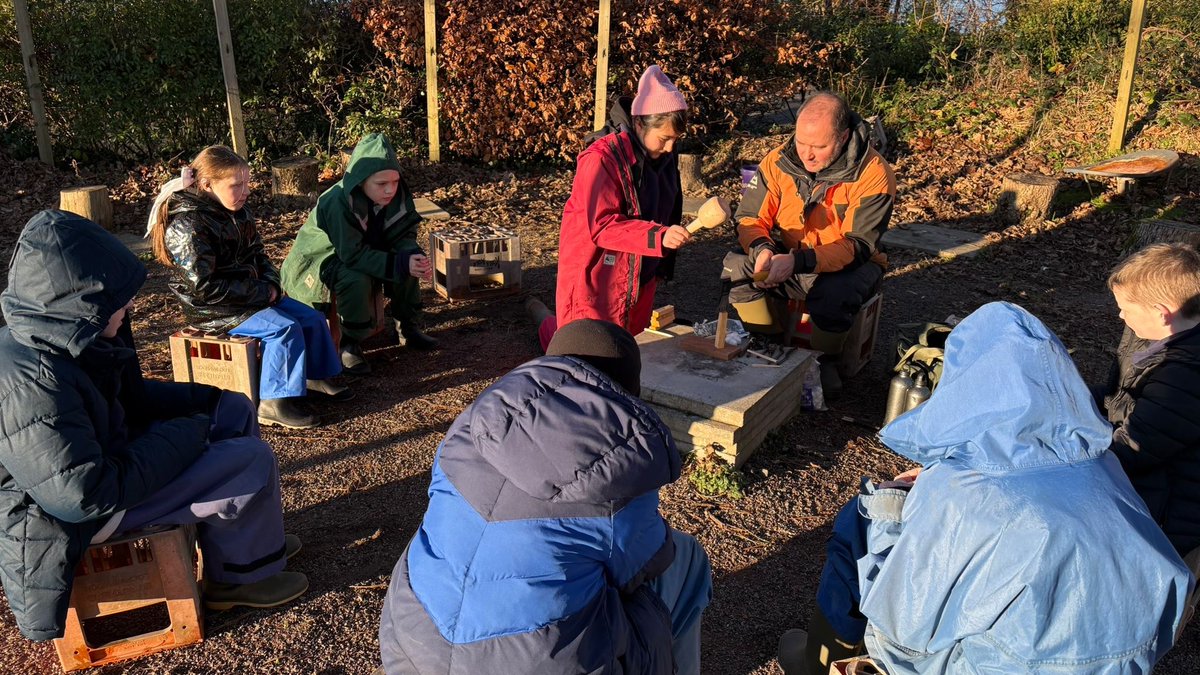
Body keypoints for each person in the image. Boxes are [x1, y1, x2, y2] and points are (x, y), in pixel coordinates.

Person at [776, 302, 1191, 675]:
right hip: (1119, 661)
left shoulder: (962, 492)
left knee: (858, 519)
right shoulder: (1102, 462)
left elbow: (905, 628)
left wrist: (888, 501)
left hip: (991, 663)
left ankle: (822, 660)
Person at [0, 211, 308, 642]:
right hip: (71, 519)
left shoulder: (70, 335)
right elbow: (83, 495)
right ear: (77, 304)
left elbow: (129, 399)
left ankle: (250, 541)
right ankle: (238, 579)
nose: (128, 308)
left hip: (106, 464)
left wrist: (205, 400)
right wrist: (187, 433)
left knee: (233, 408)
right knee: (246, 460)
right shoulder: (31, 381)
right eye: (118, 301)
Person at [378, 319, 712, 674]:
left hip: (409, 645)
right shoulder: (621, 482)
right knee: (686, 558)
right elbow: (651, 564)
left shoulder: (467, 427)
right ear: (629, 393)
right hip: (524, 662)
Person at [147, 145, 350, 430]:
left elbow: (258, 254)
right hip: (213, 308)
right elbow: (204, 287)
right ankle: (272, 403)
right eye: (236, 185)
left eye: (247, 183)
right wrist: (262, 293)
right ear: (206, 185)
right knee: (282, 329)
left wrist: (270, 282)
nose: (245, 191)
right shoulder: (188, 226)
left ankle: (311, 376)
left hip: (248, 294)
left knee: (311, 318)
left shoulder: (238, 211)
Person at [730, 91, 896, 395]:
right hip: (791, 257)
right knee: (736, 267)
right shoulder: (777, 160)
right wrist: (763, 249)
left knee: (834, 292)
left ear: (844, 137)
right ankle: (769, 343)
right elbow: (749, 217)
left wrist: (797, 262)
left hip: (851, 265)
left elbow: (858, 246)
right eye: (801, 142)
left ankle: (824, 360)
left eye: (819, 147)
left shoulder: (874, 174)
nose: (807, 154)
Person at [538, 65, 694, 351]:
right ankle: (546, 326)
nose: (671, 148)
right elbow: (602, 225)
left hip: (639, 269)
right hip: (596, 271)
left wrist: (663, 262)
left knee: (626, 344)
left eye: (675, 139)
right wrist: (658, 237)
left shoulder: (663, 155)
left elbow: (670, 206)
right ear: (639, 124)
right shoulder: (600, 159)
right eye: (664, 138)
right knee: (584, 346)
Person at [280, 133, 435, 376]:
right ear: (361, 180)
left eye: (394, 182)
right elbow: (351, 255)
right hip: (321, 258)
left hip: (363, 250)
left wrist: (412, 256)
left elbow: (404, 232)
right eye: (381, 184)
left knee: (408, 256)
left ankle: (407, 326)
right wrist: (399, 262)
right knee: (356, 276)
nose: (390, 190)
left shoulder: (397, 194)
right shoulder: (336, 201)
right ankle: (350, 342)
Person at [1098, 243, 1200, 574]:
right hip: (1152, 486)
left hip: (1168, 516)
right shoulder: (1152, 338)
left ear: (1162, 311)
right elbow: (1117, 395)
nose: (1120, 315)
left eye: (1126, 307)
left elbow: (1133, 449)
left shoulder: (1186, 375)